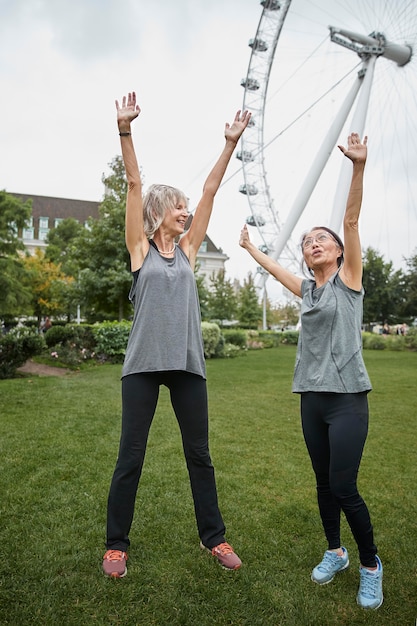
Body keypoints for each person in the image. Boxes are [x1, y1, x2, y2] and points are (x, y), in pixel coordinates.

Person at [102, 92, 251, 578]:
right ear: (161, 212)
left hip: (187, 364)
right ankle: (116, 545)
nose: (187, 212)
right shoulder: (140, 250)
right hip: (143, 365)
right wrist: (125, 131)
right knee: (130, 457)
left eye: (187, 208)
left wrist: (229, 144)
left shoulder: (188, 251)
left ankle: (215, 537)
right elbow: (133, 184)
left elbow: (211, 191)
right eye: (179, 207)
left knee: (199, 455)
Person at [239, 133, 383, 610]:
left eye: (321, 240)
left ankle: (369, 565)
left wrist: (358, 167)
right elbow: (275, 270)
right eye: (307, 242)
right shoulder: (310, 290)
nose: (312, 244)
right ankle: (335, 552)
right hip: (311, 398)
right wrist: (249, 249)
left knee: (344, 485)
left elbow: (351, 219)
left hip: (347, 400)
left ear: (340, 252)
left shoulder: (349, 282)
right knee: (323, 484)